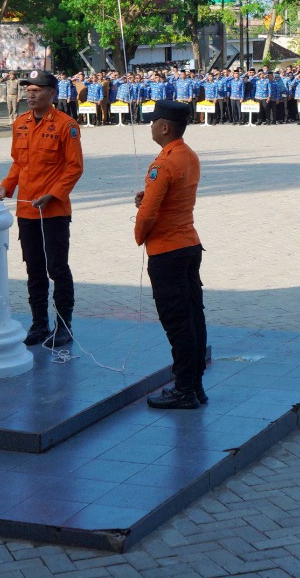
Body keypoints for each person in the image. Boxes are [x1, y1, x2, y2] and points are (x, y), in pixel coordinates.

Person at [0, 70, 85, 347]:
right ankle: (39, 324)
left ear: (52, 93)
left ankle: (64, 326)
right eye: (28, 89)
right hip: (27, 211)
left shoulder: (67, 125)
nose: (30, 94)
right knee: (34, 270)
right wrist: (7, 187)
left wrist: (53, 195)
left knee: (57, 268)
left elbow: (74, 167)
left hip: (53, 211)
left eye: (37, 89)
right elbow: (19, 163)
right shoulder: (20, 123)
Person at [134, 101, 207, 410]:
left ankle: (184, 389)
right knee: (194, 318)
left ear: (165, 127)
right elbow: (166, 197)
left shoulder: (162, 164)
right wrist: (147, 196)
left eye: (153, 122)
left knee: (177, 323)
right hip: (189, 244)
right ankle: (195, 384)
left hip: (168, 250)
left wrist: (140, 235)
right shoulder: (188, 155)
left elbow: (149, 214)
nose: (150, 126)